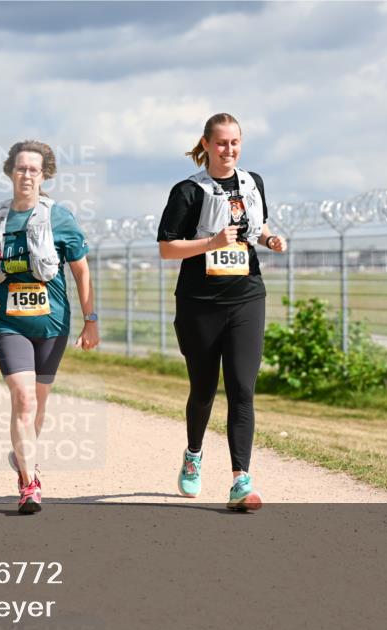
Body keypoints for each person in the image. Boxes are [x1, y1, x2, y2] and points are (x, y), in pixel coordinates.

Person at [157, 112, 286, 511]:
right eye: (221, 143)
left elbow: (256, 227)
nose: (228, 150)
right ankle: (194, 453)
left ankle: (240, 481)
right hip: (200, 303)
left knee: (242, 389)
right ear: (207, 145)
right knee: (203, 389)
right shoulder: (188, 191)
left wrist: (270, 239)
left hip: (247, 296)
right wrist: (210, 243)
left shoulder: (253, 183)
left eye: (235, 143)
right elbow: (166, 248)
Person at [0, 140, 99, 514]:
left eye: (34, 169)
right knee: (23, 398)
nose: (26, 175)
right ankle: (29, 483)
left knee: (38, 403)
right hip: (5, 322)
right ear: (10, 171)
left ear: (45, 176)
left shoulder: (61, 218)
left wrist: (91, 320)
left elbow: (81, 270)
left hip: (52, 324)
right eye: (20, 168)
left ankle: (22, 454)